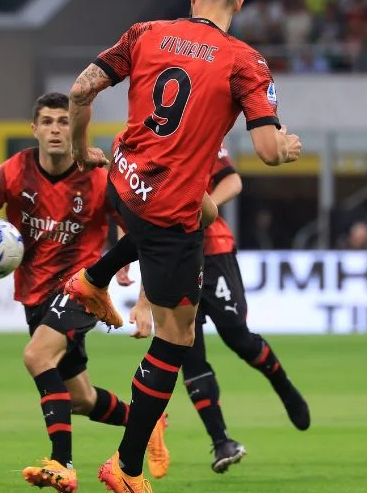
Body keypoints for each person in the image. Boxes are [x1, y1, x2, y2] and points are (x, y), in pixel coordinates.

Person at [62, 0, 302, 493]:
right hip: (169, 216)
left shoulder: (147, 32)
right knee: (176, 337)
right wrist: (286, 148)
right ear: (237, 5)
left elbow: (78, 90)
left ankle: (92, 278)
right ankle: (126, 463)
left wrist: (78, 152)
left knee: (195, 210)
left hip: (121, 182)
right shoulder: (246, 62)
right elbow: (267, 153)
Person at [0, 92, 170, 493]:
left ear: (74, 127)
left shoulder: (95, 174)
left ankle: (63, 463)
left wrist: (125, 261)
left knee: (36, 356)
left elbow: (129, 219)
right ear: (34, 128)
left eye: (64, 121)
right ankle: (146, 422)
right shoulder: (13, 172)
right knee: (80, 398)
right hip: (35, 295)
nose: (57, 129)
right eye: (49, 122)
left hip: (81, 288)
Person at [130, 144, 310, 474]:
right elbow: (131, 211)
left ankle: (283, 386)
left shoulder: (198, 132)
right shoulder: (135, 146)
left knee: (237, 336)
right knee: (187, 348)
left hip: (214, 251)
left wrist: (204, 207)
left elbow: (232, 182)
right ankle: (221, 440)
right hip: (174, 256)